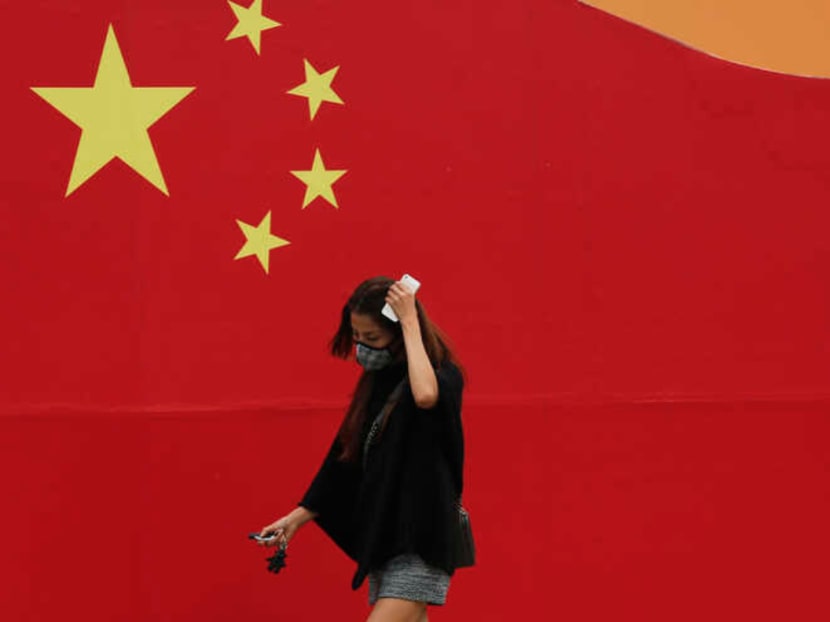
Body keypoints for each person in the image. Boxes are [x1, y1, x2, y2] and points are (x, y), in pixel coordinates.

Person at [258, 276, 467, 622]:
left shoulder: (443, 376)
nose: (361, 347)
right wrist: (297, 518)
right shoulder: (378, 383)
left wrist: (410, 319)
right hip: (386, 539)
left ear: (400, 334)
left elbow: (426, 396)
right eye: (357, 337)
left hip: (423, 540)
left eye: (372, 338)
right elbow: (345, 457)